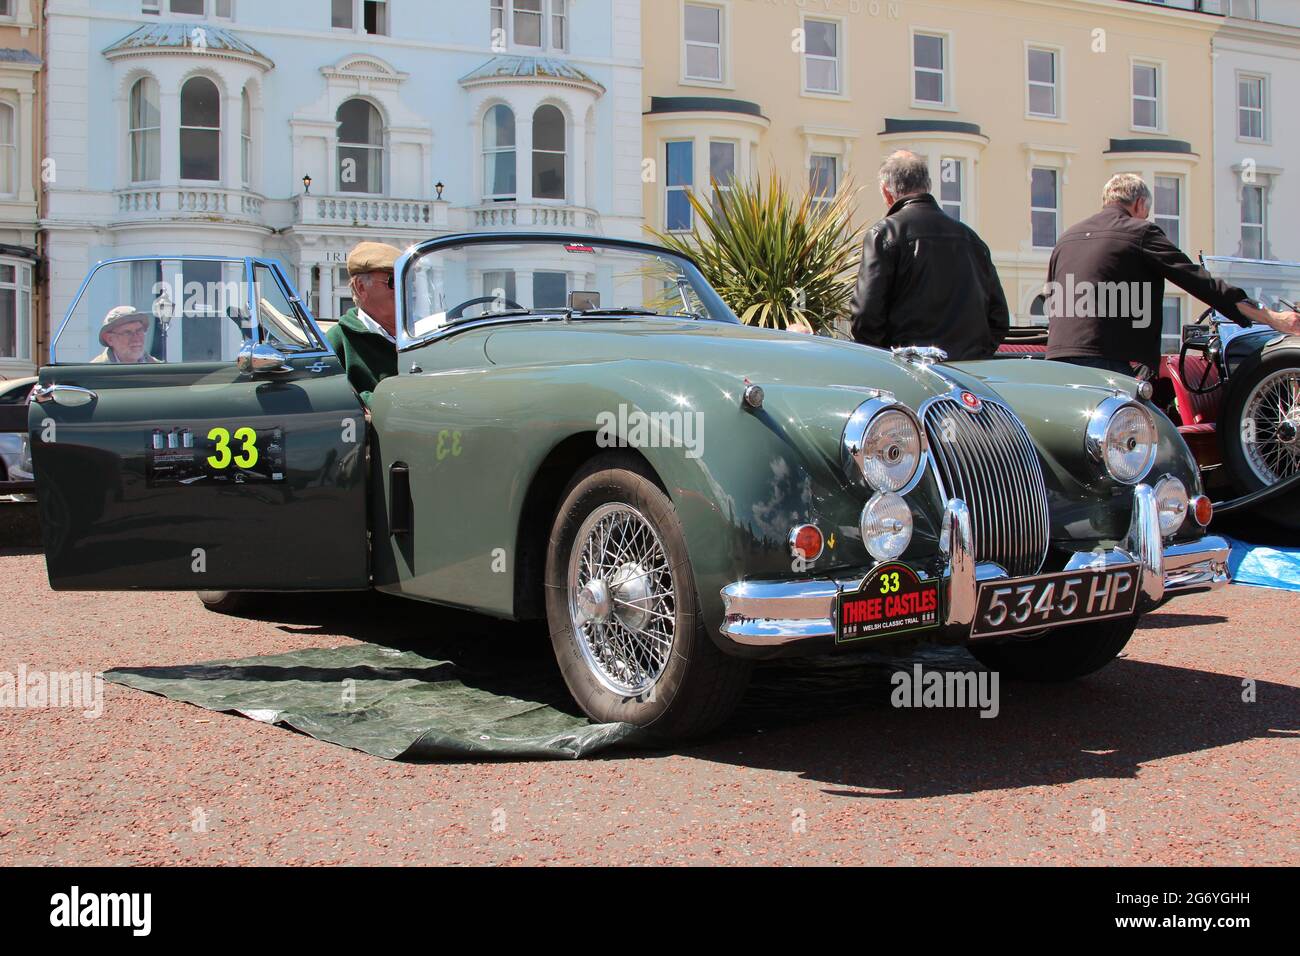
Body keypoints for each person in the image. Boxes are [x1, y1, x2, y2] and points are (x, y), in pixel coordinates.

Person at [1046, 173, 1300, 379]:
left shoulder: (1067, 237)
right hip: (1108, 360)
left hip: (1057, 359)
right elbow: (1199, 281)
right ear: (1140, 205)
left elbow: (1052, 295)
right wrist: (1271, 317)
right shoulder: (1140, 231)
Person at [850, 150, 1010, 360]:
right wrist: (972, 354)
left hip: (909, 371)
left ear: (886, 192)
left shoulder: (884, 234)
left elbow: (866, 317)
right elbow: (998, 319)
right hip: (966, 373)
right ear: (928, 186)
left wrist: (889, 358)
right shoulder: (971, 239)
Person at [326, 241, 402, 401]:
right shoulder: (338, 341)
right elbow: (335, 402)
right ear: (361, 287)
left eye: (408, 279)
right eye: (393, 281)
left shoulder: (426, 335)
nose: (406, 289)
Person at [91, 307, 162, 364]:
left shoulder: (158, 369)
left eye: (139, 331)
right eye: (127, 333)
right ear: (110, 339)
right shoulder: (93, 373)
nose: (136, 338)